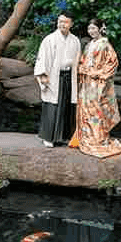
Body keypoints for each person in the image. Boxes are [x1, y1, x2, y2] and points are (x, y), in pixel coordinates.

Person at [69, 18, 121, 158]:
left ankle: (98, 138)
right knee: (85, 108)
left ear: (101, 28)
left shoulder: (105, 44)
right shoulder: (89, 45)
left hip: (98, 82)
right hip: (87, 82)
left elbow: (113, 62)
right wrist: (82, 69)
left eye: (94, 28)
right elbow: (83, 61)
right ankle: (87, 137)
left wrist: (98, 74)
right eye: (89, 29)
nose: (91, 31)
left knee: (97, 108)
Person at [34, 13, 81, 147]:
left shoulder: (75, 40)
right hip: (53, 76)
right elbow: (43, 58)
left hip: (69, 76)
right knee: (52, 106)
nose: (62, 24)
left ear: (71, 24)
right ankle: (48, 137)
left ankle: (64, 136)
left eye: (65, 22)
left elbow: (77, 59)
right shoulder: (50, 39)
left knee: (67, 106)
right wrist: (42, 75)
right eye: (60, 21)